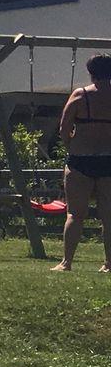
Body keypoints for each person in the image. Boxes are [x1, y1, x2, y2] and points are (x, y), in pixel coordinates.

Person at [53, 54, 111, 274]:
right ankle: (109, 263)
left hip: (80, 159)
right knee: (109, 216)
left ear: (91, 72)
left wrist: (72, 145)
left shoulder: (81, 95)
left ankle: (66, 262)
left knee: (75, 214)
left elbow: (64, 128)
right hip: (108, 159)